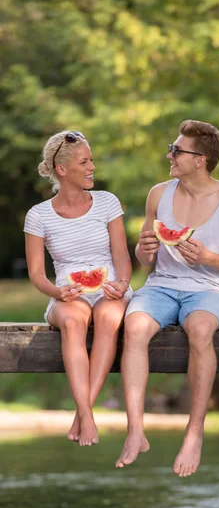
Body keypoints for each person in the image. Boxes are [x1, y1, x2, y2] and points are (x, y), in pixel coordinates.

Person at [115, 119, 219, 476]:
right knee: (133, 328)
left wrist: (210, 258)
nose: (170, 154)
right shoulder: (158, 194)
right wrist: (143, 248)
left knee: (199, 330)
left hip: (212, 290)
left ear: (200, 160)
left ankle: (194, 434)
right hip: (162, 285)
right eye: (171, 147)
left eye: (177, 150)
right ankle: (135, 430)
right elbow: (146, 258)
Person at [24, 130, 133, 447]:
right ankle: (87, 415)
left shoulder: (107, 202)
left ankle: (82, 415)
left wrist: (122, 283)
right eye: (85, 162)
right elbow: (36, 274)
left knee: (110, 319)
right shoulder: (38, 215)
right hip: (66, 292)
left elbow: (122, 256)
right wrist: (57, 293)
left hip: (110, 285)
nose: (92, 168)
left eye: (92, 161)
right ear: (62, 170)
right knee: (73, 321)